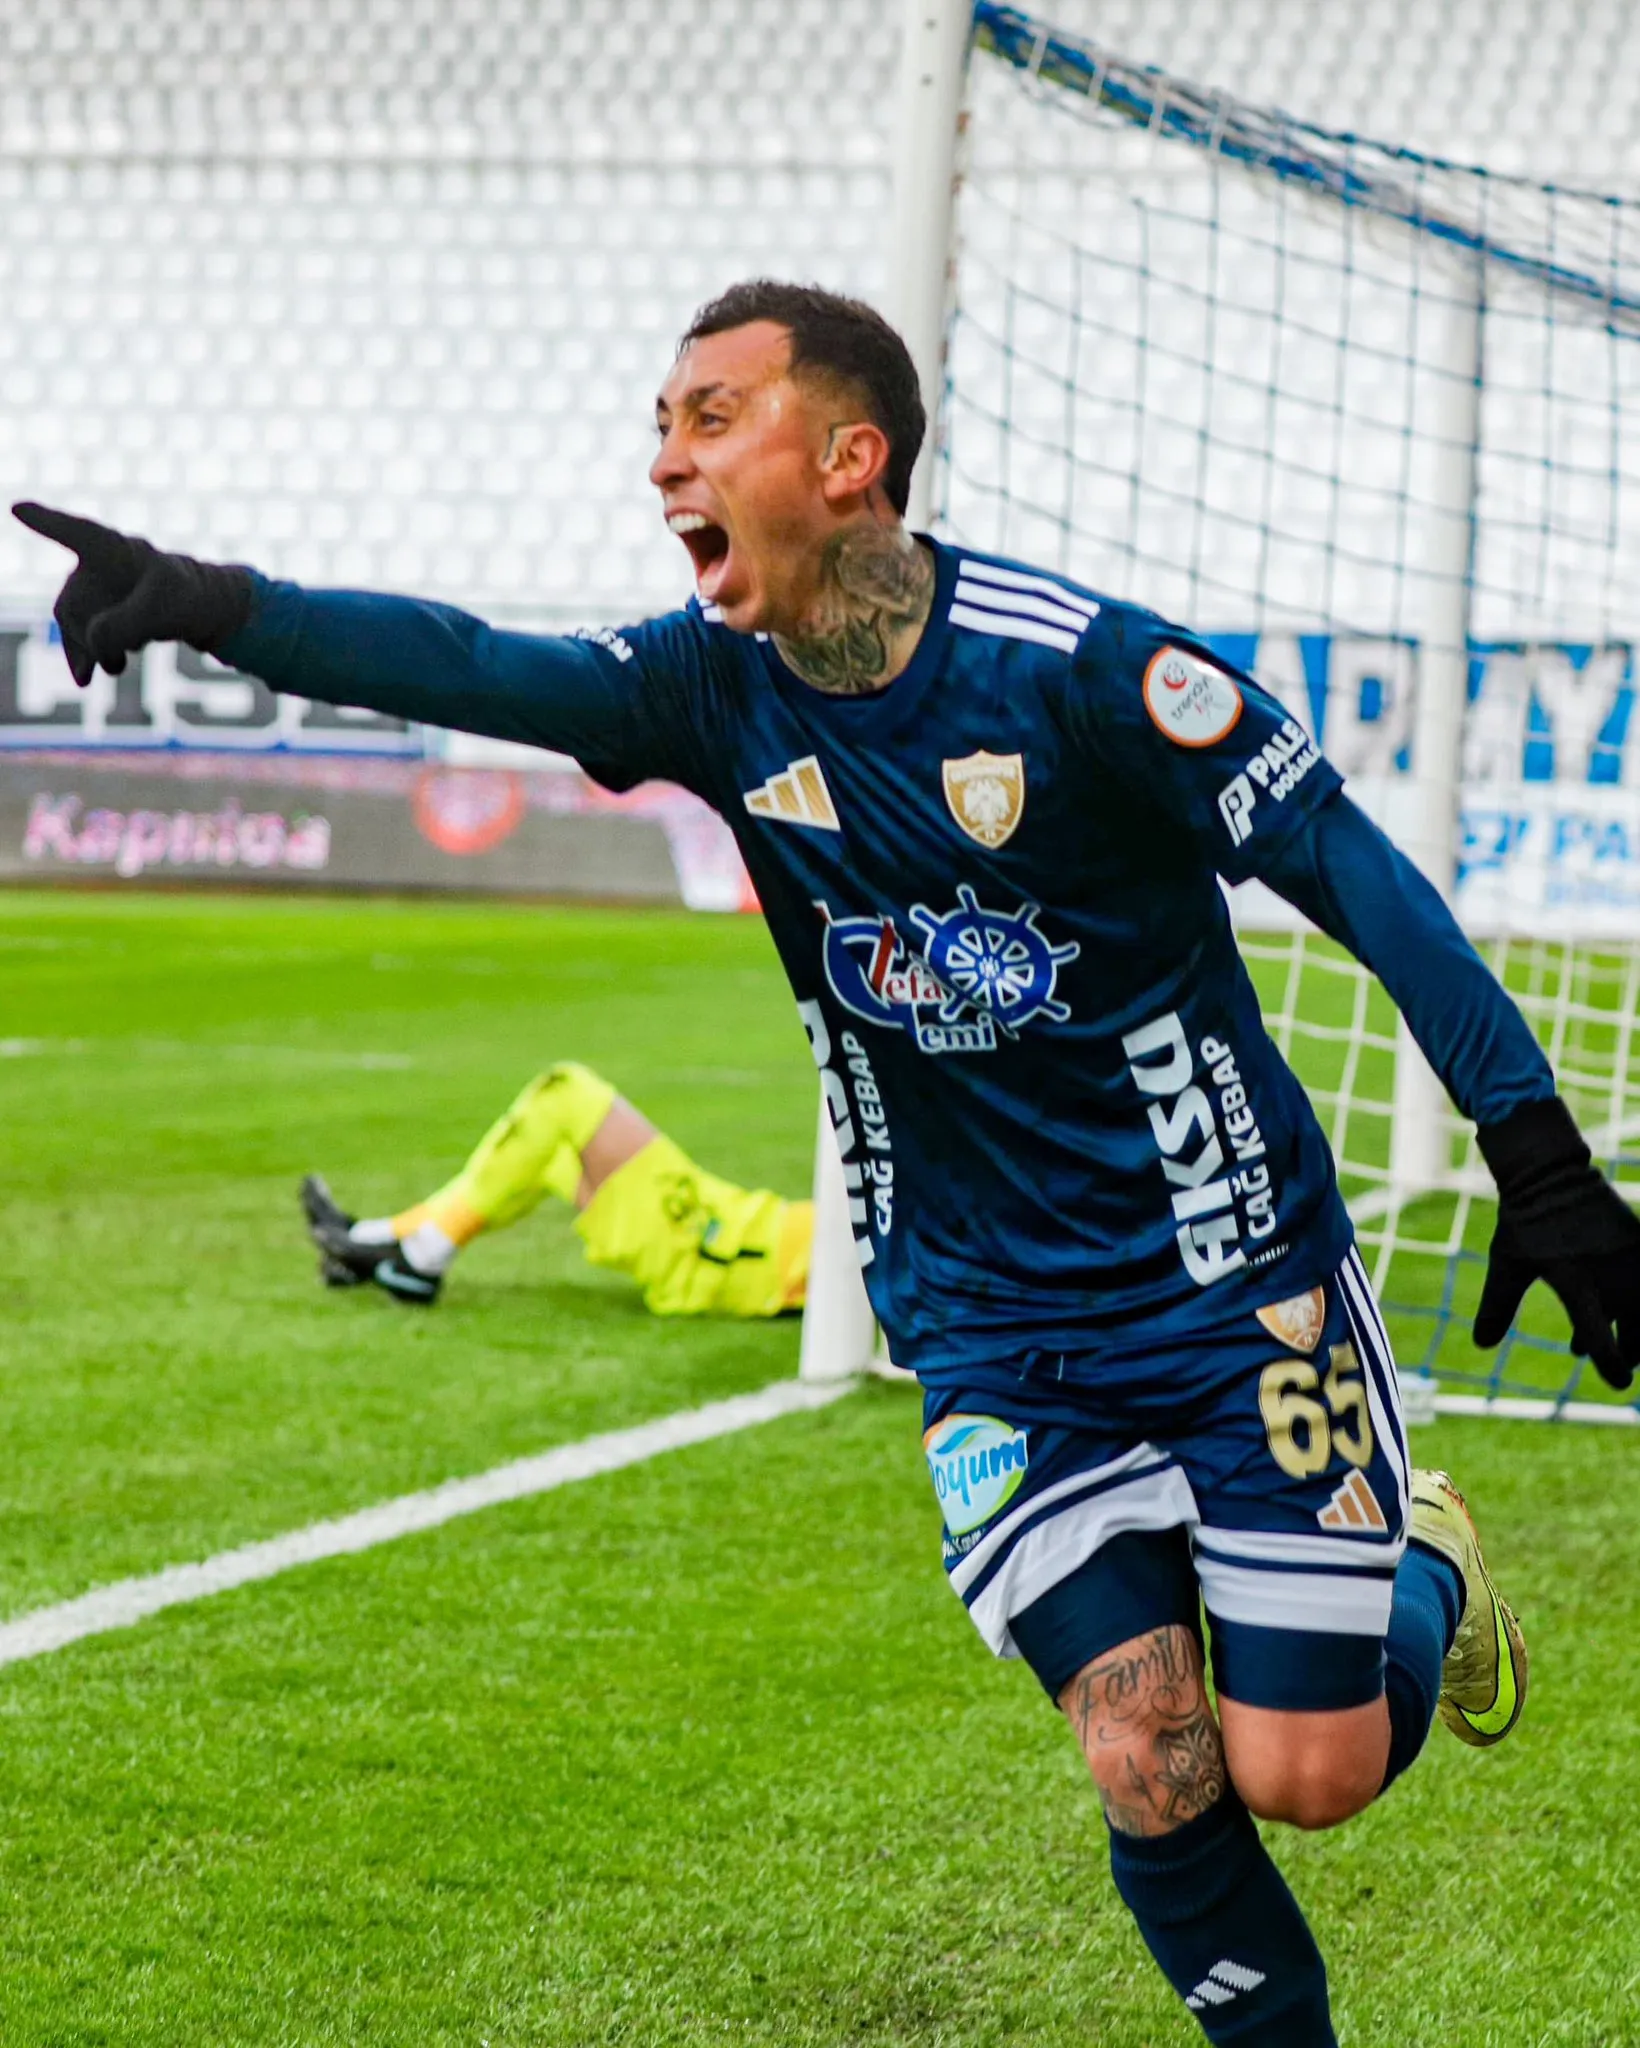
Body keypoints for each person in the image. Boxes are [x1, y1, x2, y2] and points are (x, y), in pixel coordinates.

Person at [16, 277, 1640, 2046]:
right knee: (1149, 1751)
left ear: (852, 459)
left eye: (711, 416)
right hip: (992, 1327)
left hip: (1236, 1278)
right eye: (660, 422)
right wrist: (222, 605)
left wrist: (1535, 1151)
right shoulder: (708, 692)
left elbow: (1343, 858)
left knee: (1303, 1770)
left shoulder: (1076, 669)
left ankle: (1427, 1565)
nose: (664, 460)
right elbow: (472, 658)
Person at [300, 1059, 811, 1315]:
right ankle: (387, 1240)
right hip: (737, 1233)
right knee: (551, 1152)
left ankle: (416, 1253)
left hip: (720, 1249)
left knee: (566, 1095)